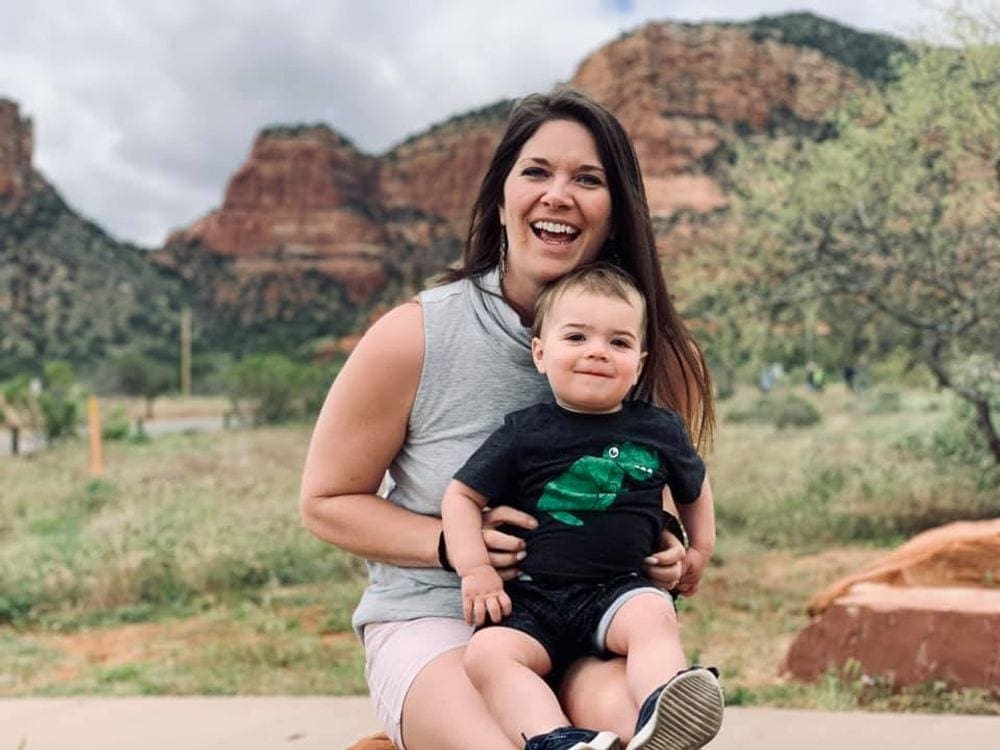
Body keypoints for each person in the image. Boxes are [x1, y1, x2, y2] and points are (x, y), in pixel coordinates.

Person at [299, 88, 716, 750]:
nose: (559, 195)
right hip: (436, 617)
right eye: (537, 172)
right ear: (501, 200)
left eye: (588, 179)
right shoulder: (416, 335)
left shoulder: (642, 350)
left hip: (588, 615)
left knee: (638, 733)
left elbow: (648, 485)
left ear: (616, 213)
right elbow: (324, 502)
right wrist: (454, 546)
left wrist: (669, 549)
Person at [442, 264, 723, 750]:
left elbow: (695, 489)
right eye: (577, 337)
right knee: (487, 654)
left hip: (619, 592)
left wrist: (700, 550)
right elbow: (461, 496)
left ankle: (663, 702)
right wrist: (475, 570)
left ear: (639, 361)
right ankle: (555, 740)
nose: (597, 351)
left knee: (653, 616)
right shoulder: (523, 431)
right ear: (540, 353)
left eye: (618, 343)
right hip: (534, 601)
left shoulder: (658, 429)